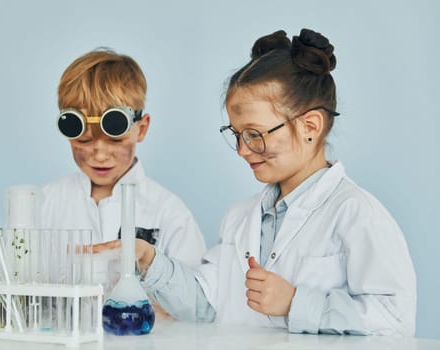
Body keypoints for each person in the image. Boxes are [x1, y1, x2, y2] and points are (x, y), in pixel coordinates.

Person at [96, 29, 416, 336]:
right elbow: (204, 303)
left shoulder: (356, 214)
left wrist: (295, 303)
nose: (242, 150)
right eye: (236, 135)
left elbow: (396, 320)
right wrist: (149, 260)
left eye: (254, 134)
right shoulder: (240, 218)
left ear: (311, 126)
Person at [39, 49, 206, 300]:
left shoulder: (168, 213)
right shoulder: (45, 202)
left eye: (115, 139)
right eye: (84, 140)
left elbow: (196, 301)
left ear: (142, 128)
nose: (100, 154)